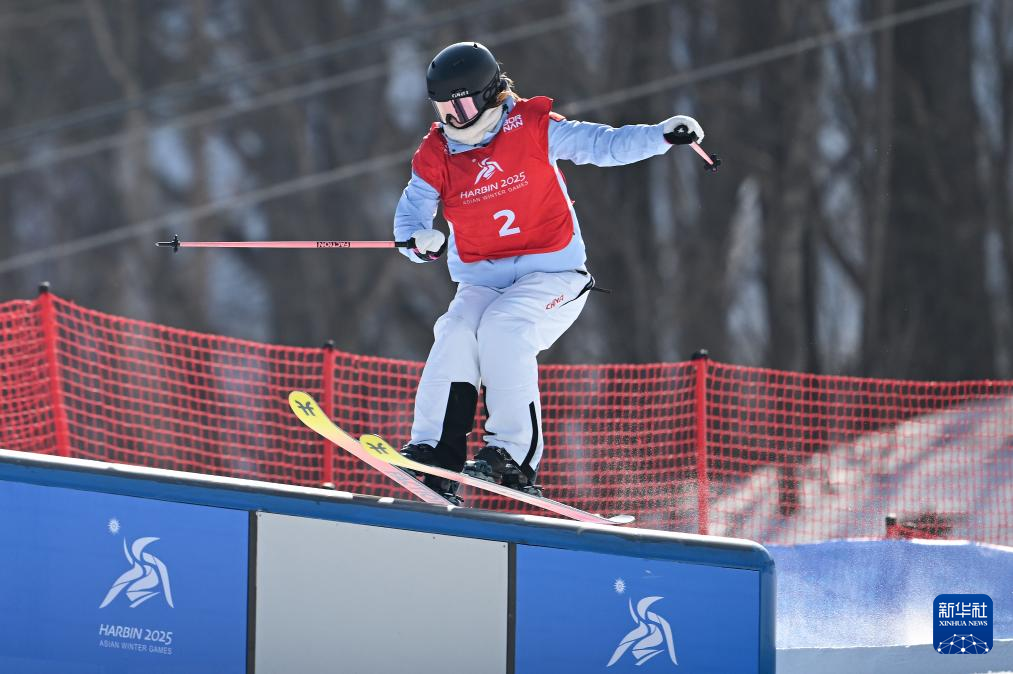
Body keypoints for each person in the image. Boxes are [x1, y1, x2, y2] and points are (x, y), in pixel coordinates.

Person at [394, 41, 704, 505]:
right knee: (455, 331)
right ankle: (436, 454)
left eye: (463, 106)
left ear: (489, 93)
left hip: (553, 274)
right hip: (482, 279)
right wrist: (418, 241)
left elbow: (603, 144)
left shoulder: (532, 125)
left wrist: (660, 136)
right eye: (444, 108)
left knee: (503, 328)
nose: (454, 118)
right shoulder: (436, 152)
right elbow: (412, 212)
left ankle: (513, 456)